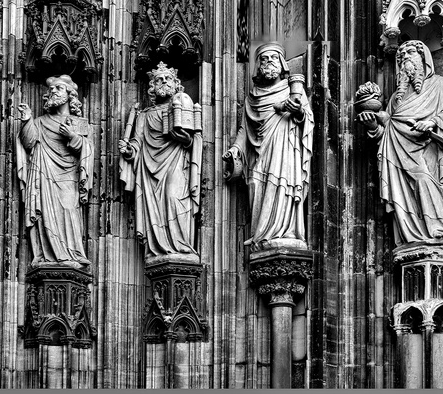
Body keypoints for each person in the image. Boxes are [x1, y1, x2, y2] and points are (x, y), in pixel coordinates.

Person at [360, 40, 443, 245]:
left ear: (424, 57)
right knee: (403, 195)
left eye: (411, 52)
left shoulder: (441, 84)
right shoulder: (395, 100)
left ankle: (438, 230)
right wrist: (373, 126)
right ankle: (411, 237)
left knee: (424, 180)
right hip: (397, 154)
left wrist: (431, 122)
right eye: (401, 55)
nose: (405, 56)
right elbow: (386, 134)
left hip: (427, 146)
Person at [225, 43, 315, 247]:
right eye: (264, 59)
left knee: (283, 185)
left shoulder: (291, 90)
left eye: (273, 58)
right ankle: (260, 231)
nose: (268, 63)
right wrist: (236, 149)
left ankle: (285, 232)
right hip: (260, 151)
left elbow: (307, 119)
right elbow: (244, 130)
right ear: (258, 66)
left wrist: (298, 111)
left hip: (285, 149)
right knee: (257, 184)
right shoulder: (252, 98)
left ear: (282, 63)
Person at [121, 63, 203, 262]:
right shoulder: (144, 116)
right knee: (157, 209)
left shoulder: (185, 107)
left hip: (176, 162)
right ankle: (159, 248)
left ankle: (181, 246)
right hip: (150, 171)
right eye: (159, 80)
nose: (163, 82)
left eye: (167, 79)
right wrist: (129, 150)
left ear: (176, 84)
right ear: (152, 86)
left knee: (174, 198)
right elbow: (137, 142)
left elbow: (195, 140)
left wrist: (186, 139)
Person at [17, 75, 93, 268]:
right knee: (46, 214)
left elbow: (87, 149)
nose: (53, 92)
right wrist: (27, 120)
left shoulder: (79, 122)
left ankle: (73, 251)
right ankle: (48, 254)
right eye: (51, 89)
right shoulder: (41, 122)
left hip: (68, 175)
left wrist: (72, 136)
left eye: (58, 88)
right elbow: (29, 143)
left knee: (69, 209)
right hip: (45, 173)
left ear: (69, 94)